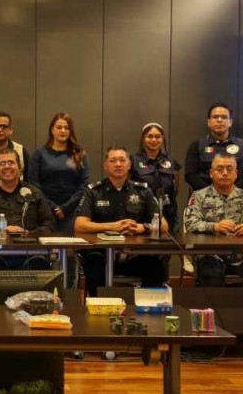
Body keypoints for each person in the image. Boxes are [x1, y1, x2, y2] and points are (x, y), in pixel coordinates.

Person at [74, 146, 168, 296]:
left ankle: (147, 306)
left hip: (134, 256)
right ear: (105, 166)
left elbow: (164, 225)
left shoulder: (144, 191)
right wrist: (112, 227)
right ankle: (99, 306)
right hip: (102, 255)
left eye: (122, 160)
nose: (118, 164)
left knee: (155, 267)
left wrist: (142, 228)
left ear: (129, 164)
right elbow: (80, 225)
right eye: (113, 160)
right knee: (93, 265)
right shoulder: (94, 191)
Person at [183, 153, 243, 287]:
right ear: (211, 173)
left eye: (229, 169)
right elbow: (191, 222)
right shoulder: (199, 196)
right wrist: (214, 226)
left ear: (236, 173)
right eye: (220, 169)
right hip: (210, 254)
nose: (225, 173)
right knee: (210, 270)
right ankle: (217, 302)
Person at [0, 149, 55, 269]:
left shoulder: (34, 193)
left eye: (11, 162)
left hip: (30, 253)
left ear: (19, 167)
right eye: (2, 163)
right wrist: (1, 232)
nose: (7, 167)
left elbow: (49, 225)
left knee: (38, 264)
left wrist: (29, 234)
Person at [27, 112, 89, 234]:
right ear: (52, 130)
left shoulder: (79, 154)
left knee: (70, 244)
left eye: (67, 128)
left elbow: (84, 185)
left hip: (72, 211)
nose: (63, 131)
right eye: (59, 127)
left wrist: (65, 208)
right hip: (44, 210)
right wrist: (53, 206)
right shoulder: (39, 154)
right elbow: (33, 185)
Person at [185, 102, 243, 192]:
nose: (219, 120)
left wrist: (231, 190)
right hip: (205, 196)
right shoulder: (196, 146)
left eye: (224, 117)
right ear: (209, 122)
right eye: (215, 117)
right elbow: (190, 175)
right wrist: (214, 192)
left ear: (230, 122)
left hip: (236, 195)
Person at [131, 122, 182, 232]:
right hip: (143, 210)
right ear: (143, 138)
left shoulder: (170, 160)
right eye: (149, 136)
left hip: (168, 211)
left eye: (157, 137)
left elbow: (175, 188)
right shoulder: (133, 160)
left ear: (162, 138)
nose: (154, 140)